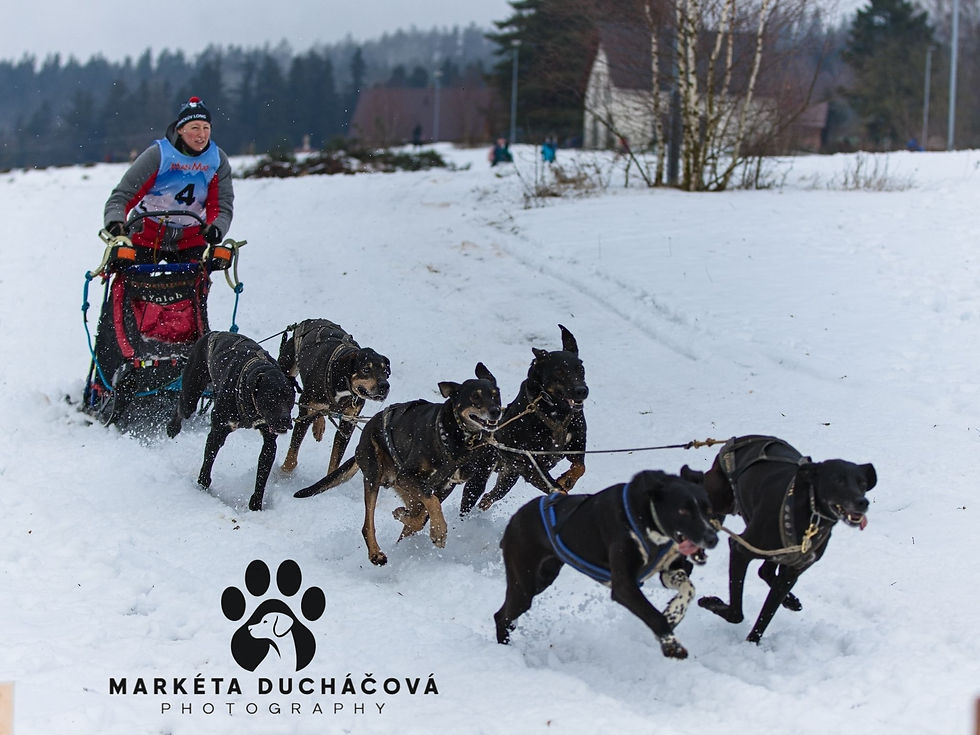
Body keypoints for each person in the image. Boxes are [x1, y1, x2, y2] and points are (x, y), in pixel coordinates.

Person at [103, 96, 234, 266]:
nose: (201, 134)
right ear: (180, 129)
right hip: (147, 234)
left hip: (191, 238)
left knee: (195, 285)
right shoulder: (158, 155)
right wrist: (115, 221)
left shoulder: (217, 161)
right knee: (129, 279)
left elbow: (222, 205)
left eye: (206, 128)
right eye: (195, 128)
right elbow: (123, 195)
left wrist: (217, 227)